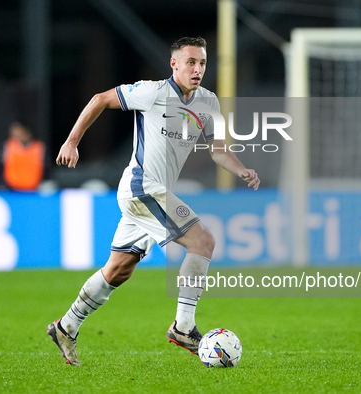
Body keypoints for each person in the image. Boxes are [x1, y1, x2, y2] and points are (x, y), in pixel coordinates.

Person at [48, 36, 260, 366]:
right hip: (143, 188)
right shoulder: (153, 92)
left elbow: (218, 149)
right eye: (190, 62)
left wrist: (241, 168)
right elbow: (100, 99)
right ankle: (184, 326)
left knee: (118, 271)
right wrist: (72, 141)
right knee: (203, 241)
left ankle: (66, 326)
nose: (198, 69)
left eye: (202, 62)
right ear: (174, 64)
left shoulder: (208, 102)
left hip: (154, 193)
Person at [0, 121, 45, 191]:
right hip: (11, 189)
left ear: (27, 133)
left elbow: (46, 169)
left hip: (35, 190)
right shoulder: (7, 147)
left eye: (19, 134)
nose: (17, 138)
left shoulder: (39, 148)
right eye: (14, 135)